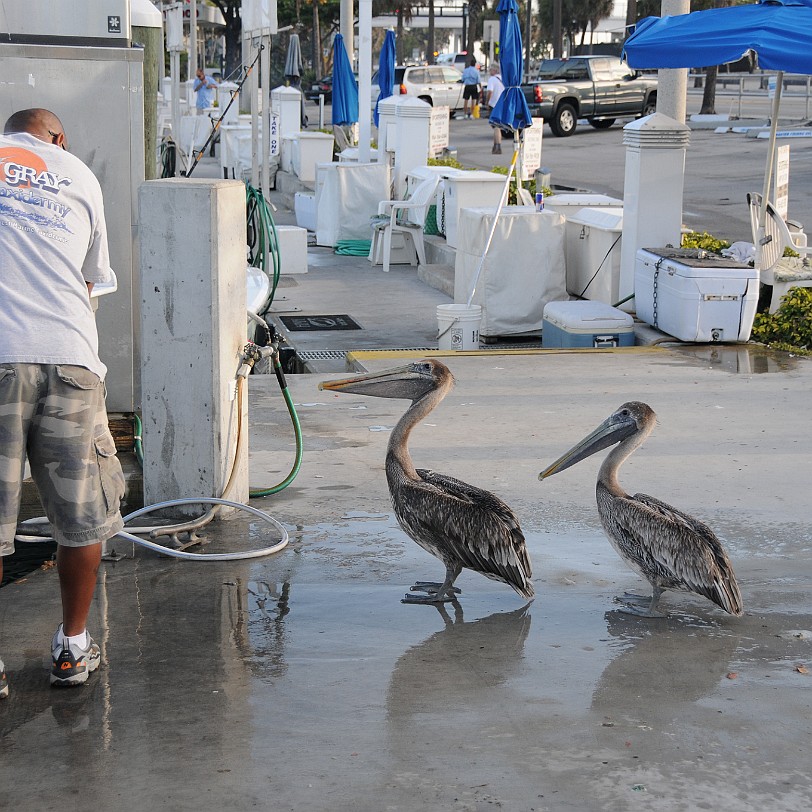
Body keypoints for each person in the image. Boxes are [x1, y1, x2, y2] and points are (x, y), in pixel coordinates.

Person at [0, 108, 126, 696]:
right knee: (81, 516)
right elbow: (91, 280)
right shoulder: (78, 172)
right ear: (58, 138)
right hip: (68, 359)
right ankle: (73, 647)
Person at [486, 64, 505, 154]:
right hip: (502, 104)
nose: (489, 71)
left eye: (490, 70)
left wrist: (487, 102)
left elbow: (490, 91)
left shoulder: (492, 79)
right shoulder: (503, 79)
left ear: (494, 71)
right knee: (497, 127)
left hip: (494, 104)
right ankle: (495, 145)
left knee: (496, 126)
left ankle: (498, 146)